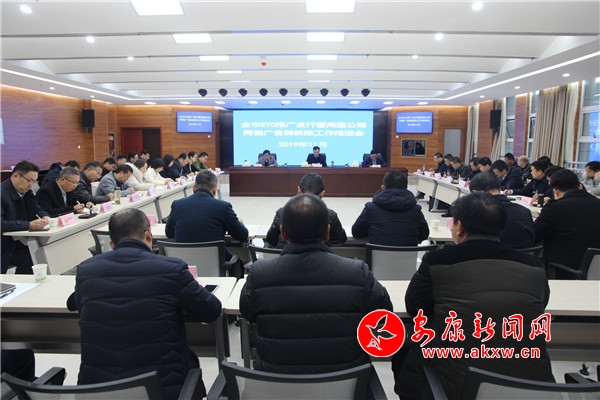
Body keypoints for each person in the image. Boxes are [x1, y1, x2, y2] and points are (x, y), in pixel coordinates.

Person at [395, 192, 554, 399]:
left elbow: (414, 306)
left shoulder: (438, 261)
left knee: (405, 344)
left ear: (460, 227)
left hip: (456, 385)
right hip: (531, 386)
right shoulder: (534, 265)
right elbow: (540, 304)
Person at [67, 209, 221, 399]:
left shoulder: (86, 270)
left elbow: (74, 303)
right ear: (149, 235)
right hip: (162, 390)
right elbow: (211, 310)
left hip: (99, 391)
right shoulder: (171, 269)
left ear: (112, 244)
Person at [240, 194, 393, 374]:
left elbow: (247, 312)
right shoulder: (357, 273)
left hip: (276, 381)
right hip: (346, 382)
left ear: (283, 232)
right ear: (327, 232)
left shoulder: (259, 275)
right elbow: (384, 313)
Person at [165, 171, 248, 260]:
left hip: (183, 263)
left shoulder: (177, 205)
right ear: (214, 190)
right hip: (215, 263)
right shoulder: (223, 207)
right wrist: (239, 222)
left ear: (194, 188)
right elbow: (242, 235)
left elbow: (169, 233)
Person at [534, 169, 600, 278]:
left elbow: (534, 235)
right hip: (595, 270)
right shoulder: (597, 203)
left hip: (562, 269)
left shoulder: (555, 208)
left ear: (555, 191)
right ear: (579, 186)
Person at [266, 173, 347, 248]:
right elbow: (340, 240)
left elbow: (271, 240)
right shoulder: (330, 216)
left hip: (285, 257)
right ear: (322, 194)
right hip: (320, 257)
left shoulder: (282, 213)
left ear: (299, 190)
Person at [352, 170, 429, 246]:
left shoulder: (371, 208)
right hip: (409, 254)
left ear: (383, 187)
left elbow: (356, 233)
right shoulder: (415, 209)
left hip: (378, 254)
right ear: (406, 188)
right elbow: (424, 235)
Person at [1, 161, 50, 274]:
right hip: (4, 245)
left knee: (41, 252)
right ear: (15, 176)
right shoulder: (2, 193)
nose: (31, 185)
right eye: (29, 180)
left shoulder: (26, 192)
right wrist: (28, 225)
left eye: (34, 181)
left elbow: (36, 208)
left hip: (19, 241)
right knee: (32, 257)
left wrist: (45, 215)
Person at [469, 172, 534, 248]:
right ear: (499, 189)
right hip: (524, 254)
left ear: (475, 192)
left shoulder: (479, 212)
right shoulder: (525, 211)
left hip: (492, 253)